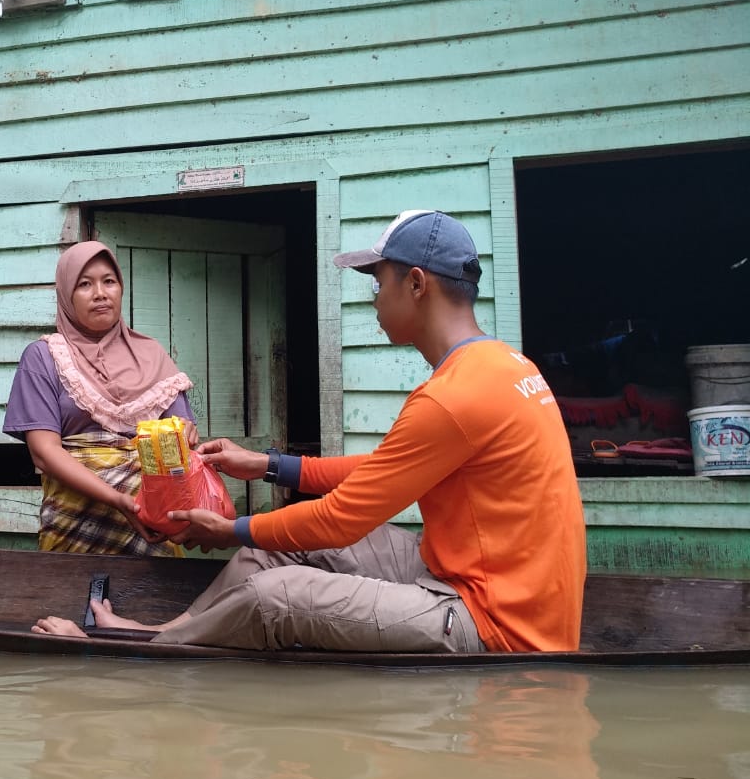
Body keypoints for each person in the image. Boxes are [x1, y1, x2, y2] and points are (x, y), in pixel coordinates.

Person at [34, 210, 587, 652]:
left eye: (379, 282)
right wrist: (270, 465)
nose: (374, 299)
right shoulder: (505, 366)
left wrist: (232, 529)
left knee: (276, 595)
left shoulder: (453, 394)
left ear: (416, 285)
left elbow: (343, 516)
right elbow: (385, 470)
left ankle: (150, 649)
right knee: (267, 556)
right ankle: (166, 632)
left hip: (495, 622)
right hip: (472, 576)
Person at [4, 240, 197, 556]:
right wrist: (117, 499)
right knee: (71, 602)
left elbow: (180, 434)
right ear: (67, 295)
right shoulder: (45, 357)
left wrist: (186, 436)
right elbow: (43, 453)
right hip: (75, 525)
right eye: (84, 284)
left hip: (153, 522)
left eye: (109, 281)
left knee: (157, 602)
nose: (100, 293)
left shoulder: (154, 355)